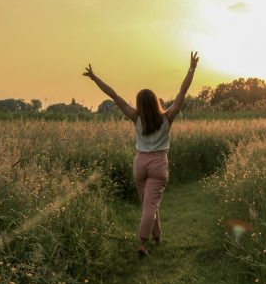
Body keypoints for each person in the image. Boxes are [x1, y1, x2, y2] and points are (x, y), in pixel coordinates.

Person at [82, 51, 199, 256]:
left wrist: (94, 78)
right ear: (155, 101)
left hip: (140, 164)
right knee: (150, 205)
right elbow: (182, 93)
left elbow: (114, 95)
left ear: (139, 104)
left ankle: (157, 237)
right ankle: (143, 244)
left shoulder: (135, 117)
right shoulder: (167, 118)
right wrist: (191, 69)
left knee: (149, 204)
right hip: (158, 164)